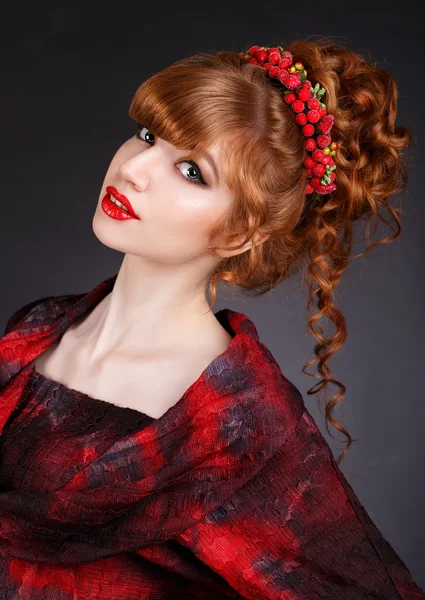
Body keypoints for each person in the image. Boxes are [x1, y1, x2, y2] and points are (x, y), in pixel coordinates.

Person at [0, 38, 423, 599]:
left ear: (241, 233)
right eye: (148, 136)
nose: (135, 168)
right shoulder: (37, 327)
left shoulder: (237, 425)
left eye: (192, 171)